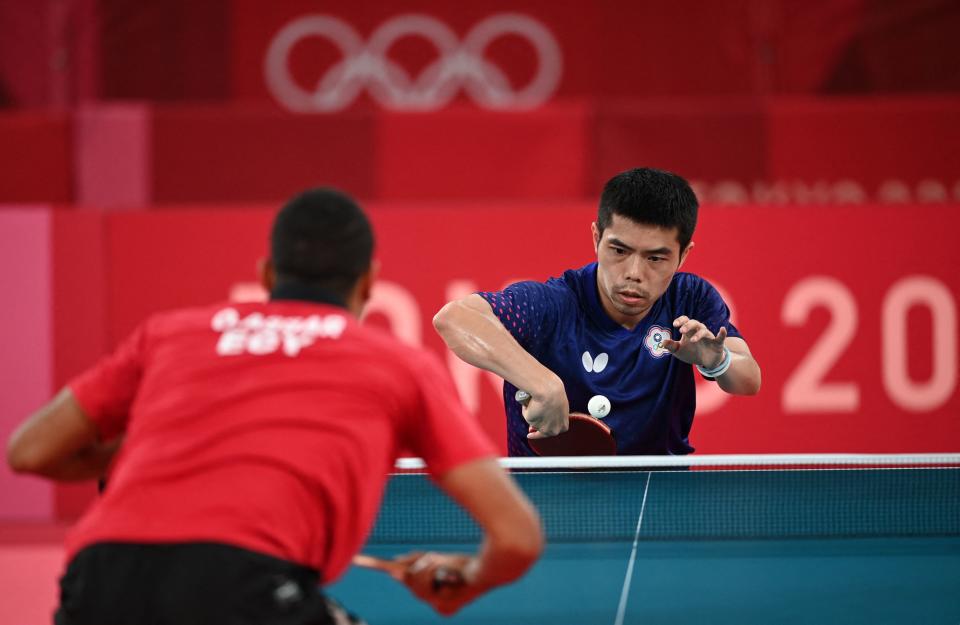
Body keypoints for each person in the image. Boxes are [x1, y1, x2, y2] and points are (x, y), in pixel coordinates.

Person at [6, 188, 543, 625]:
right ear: (369, 284)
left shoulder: (168, 335)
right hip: (247, 588)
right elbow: (518, 536)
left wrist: (152, 443)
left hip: (101, 579)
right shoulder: (399, 365)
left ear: (266, 275)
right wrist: (466, 580)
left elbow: (30, 451)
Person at [434, 167, 761, 456]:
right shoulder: (554, 306)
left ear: (683, 256)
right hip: (543, 500)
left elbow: (748, 381)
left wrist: (716, 362)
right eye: (619, 250)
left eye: (655, 258)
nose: (633, 272)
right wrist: (542, 382)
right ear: (596, 238)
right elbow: (455, 318)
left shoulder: (690, 299)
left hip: (662, 497)